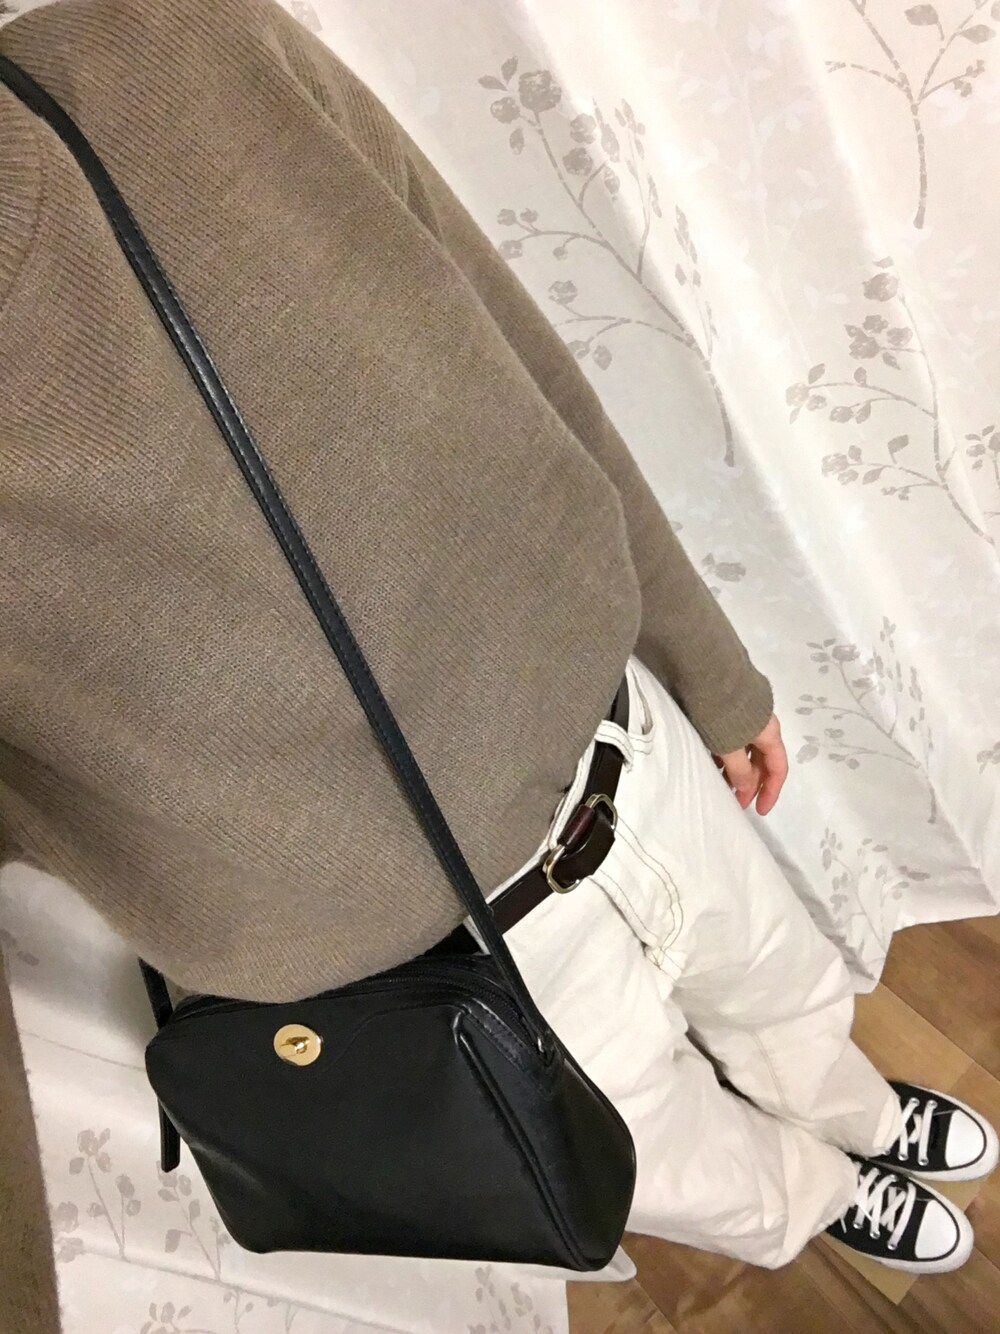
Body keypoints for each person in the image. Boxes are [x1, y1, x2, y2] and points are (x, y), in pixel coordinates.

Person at [0, 0, 995, 1329]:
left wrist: (704, 659)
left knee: (782, 984)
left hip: (619, 742)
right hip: (414, 973)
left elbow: (522, 353)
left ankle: (853, 1107)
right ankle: (815, 1196)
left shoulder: (184, 40)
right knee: (670, 1160)